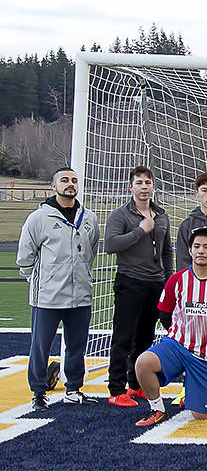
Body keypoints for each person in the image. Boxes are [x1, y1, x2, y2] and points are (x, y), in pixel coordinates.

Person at [131, 229, 207, 426]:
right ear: (190, 250)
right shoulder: (177, 280)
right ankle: (157, 408)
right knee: (143, 363)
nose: (202, 251)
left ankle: (195, 389)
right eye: (197, 247)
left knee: (201, 416)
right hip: (177, 346)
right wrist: (181, 336)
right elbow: (164, 315)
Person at [16, 166, 100, 409]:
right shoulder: (39, 218)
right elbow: (25, 257)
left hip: (80, 296)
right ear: (53, 186)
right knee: (40, 347)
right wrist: (40, 281)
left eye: (74, 180)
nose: (70, 184)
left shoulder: (89, 218)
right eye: (64, 180)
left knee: (77, 346)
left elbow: (91, 252)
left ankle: (73, 388)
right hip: (47, 298)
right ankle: (39, 392)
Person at [103, 166, 173, 407]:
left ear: (153, 186)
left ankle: (136, 385)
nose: (144, 187)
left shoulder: (161, 215)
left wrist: (168, 280)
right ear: (130, 187)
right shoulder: (121, 215)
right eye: (139, 183)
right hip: (130, 281)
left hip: (156, 283)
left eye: (148, 182)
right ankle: (115, 389)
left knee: (145, 337)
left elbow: (167, 250)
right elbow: (110, 244)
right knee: (123, 337)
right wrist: (140, 231)